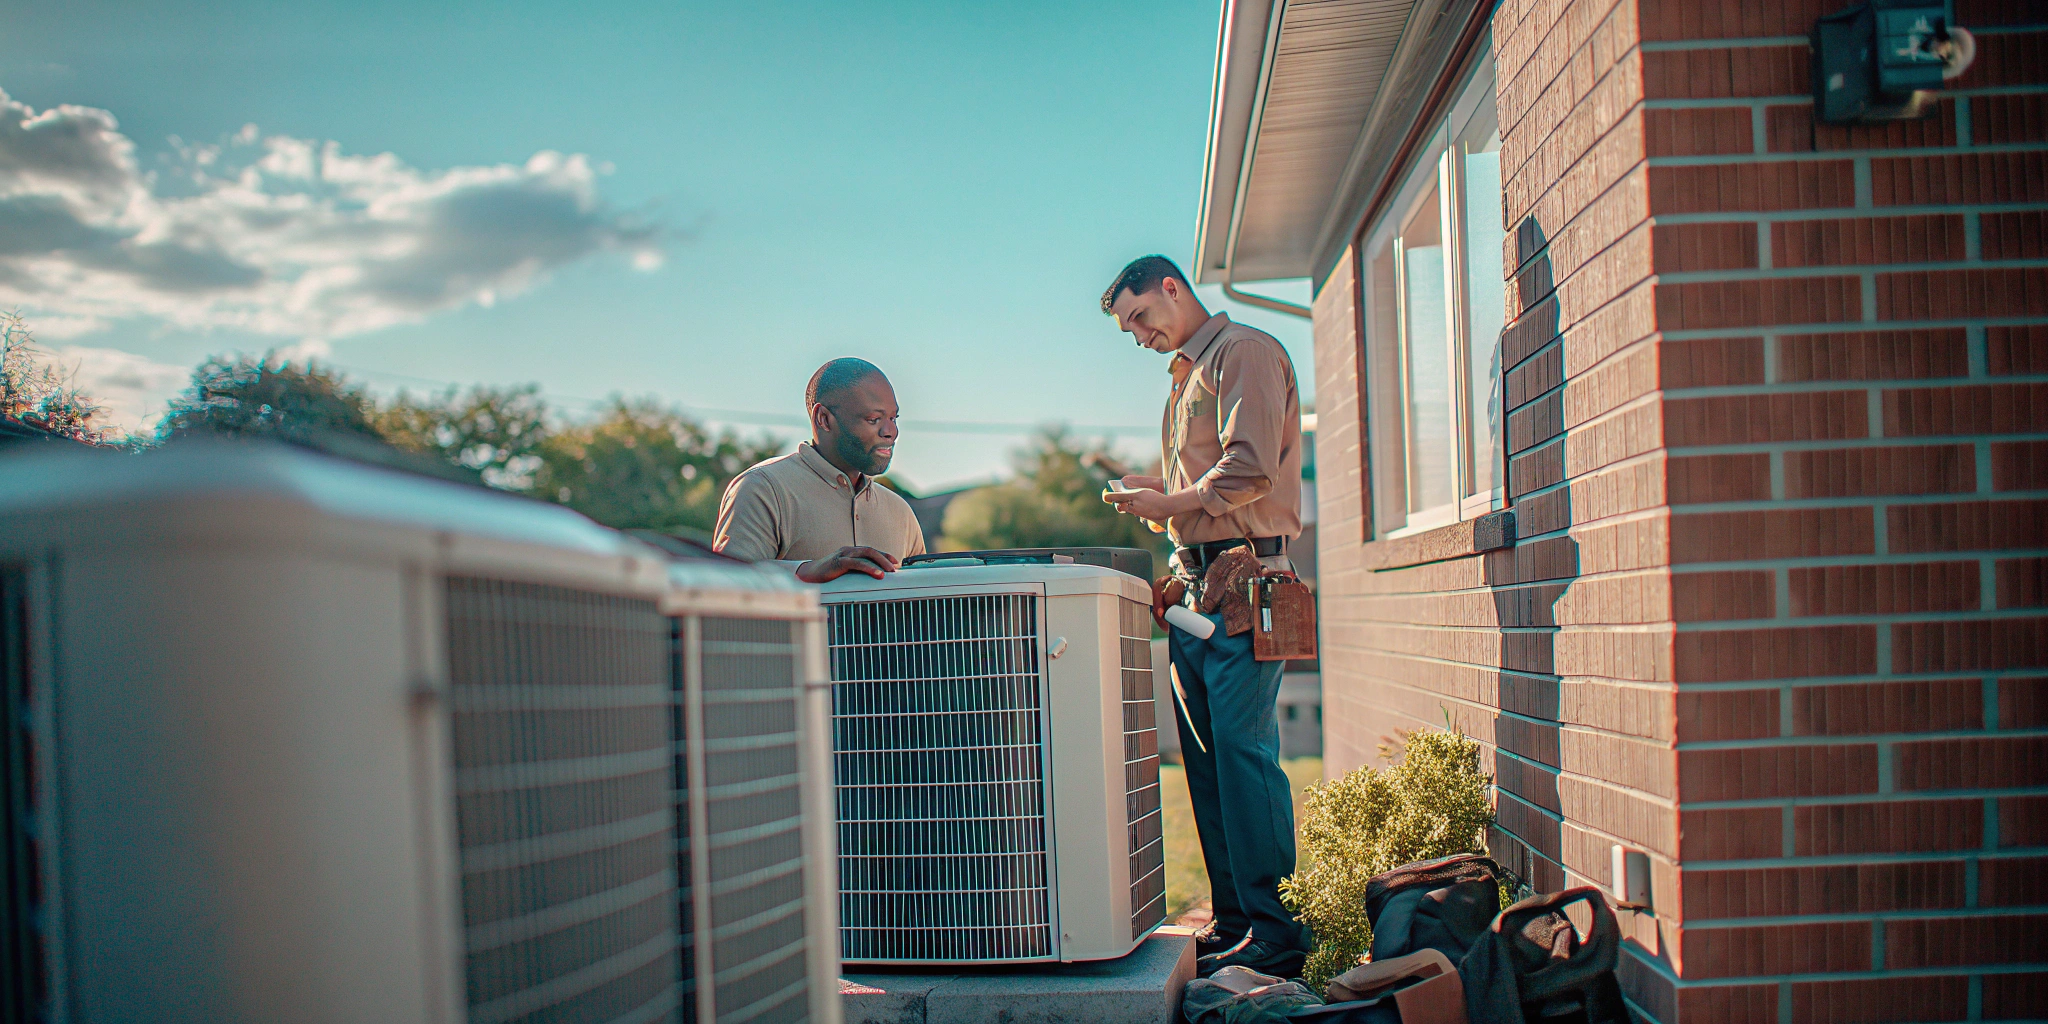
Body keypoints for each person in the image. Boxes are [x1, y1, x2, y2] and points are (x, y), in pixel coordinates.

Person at [1100, 255, 1309, 978]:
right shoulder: (1188, 373)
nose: (1139, 335)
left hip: (1248, 585)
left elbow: (1250, 469)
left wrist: (1169, 503)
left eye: (1139, 318)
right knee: (1209, 761)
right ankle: (1234, 923)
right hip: (1197, 591)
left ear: (1171, 288)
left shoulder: (1242, 352)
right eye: (1128, 329)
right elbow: (1206, 488)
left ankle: (1278, 933)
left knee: (1245, 758)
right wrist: (1157, 495)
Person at [713, 357, 926, 583]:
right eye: (874, 419)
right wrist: (805, 572)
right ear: (823, 419)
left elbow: (926, 604)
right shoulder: (763, 489)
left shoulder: (901, 513)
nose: (891, 432)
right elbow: (726, 587)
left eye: (894, 418)